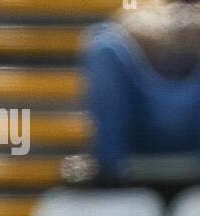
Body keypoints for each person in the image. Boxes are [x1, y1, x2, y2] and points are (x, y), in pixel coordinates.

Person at [84, 1, 200, 180]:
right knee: (103, 46)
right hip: (142, 109)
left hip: (193, 113)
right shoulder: (141, 8)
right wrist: (166, 32)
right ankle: (111, 173)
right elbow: (125, 25)